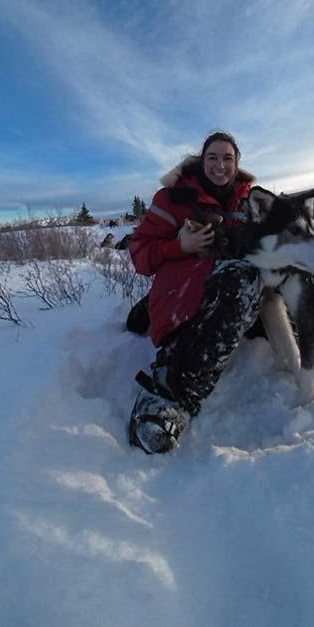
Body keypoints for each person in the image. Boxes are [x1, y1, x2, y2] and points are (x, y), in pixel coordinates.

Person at [125, 131, 264, 453]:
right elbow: (140, 254)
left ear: (237, 163)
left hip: (234, 294)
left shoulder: (249, 201)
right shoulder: (173, 198)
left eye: (227, 158)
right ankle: (170, 394)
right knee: (241, 281)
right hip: (183, 291)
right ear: (201, 162)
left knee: (251, 284)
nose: (220, 165)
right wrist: (180, 245)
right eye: (212, 158)